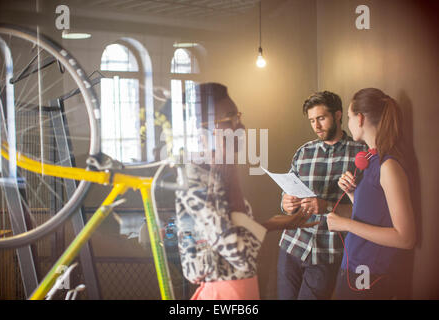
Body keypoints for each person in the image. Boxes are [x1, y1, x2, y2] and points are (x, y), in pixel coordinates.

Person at [174, 83, 318, 300]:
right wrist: (230, 170)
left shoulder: (217, 172)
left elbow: (235, 235)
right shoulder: (195, 181)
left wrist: (275, 223)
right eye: (230, 118)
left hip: (244, 291)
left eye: (238, 116)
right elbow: (241, 254)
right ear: (204, 130)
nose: (240, 126)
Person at [326, 88, 416, 299]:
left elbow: (406, 238)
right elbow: (375, 213)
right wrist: (351, 193)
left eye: (348, 117)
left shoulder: (389, 166)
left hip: (370, 276)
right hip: (353, 267)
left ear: (360, 119)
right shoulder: (372, 160)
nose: (346, 123)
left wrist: (345, 224)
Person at [277, 91, 366, 300]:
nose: (316, 126)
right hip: (291, 245)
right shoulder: (303, 152)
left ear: (337, 115)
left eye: (321, 118)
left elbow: (365, 210)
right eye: (311, 121)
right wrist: (286, 202)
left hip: (327, 252)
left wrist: (326, 206)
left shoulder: (360, 154)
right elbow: (286, 192)